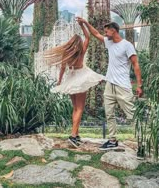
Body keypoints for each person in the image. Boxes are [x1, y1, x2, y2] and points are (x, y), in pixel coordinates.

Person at [76, 18, 143, 151]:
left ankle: (142, 141)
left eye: (107, 31)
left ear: (114, 31)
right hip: (109, 85)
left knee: (131, 115)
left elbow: (135, 64)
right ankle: (112, 140)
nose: (105, 34)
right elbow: (95, 34)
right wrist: (84, 22)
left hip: (123, 86)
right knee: (109, 114)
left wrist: (140, 85)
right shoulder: (109, 43)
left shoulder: (127, 45)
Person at [44, 21, 105, 148]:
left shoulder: (67, 54)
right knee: (80, 109)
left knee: (75, 108)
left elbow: (62, 69)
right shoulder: (81, 51)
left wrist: (60, 81)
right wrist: (82, 25)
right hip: (80, 78)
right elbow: (88, 37)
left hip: (71, 78)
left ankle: (76, 134)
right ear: (79, 43)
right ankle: (73, 135)